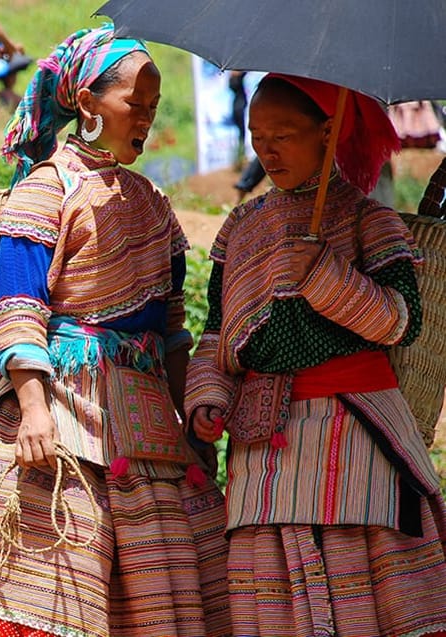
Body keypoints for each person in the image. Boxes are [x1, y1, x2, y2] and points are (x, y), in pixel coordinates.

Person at [0, 24, 231, 637]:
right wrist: (33, 411)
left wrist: (193, 426)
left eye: (154, 108)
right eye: (135, 103)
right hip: (61, 413)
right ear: (85, 102)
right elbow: (17, 307)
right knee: (48, 595)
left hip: (149, 425)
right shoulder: (45, 190)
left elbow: (173, 329)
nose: (147, 119)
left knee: (163, 596)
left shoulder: (154, 202)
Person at [186, 73, 446, 636]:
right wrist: (209, 397)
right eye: (256, 136)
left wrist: (325, 277)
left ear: (327, 132)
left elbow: (402, 322)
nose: (267, 150)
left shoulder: (367, 219)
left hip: (353, 437)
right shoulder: (241, 228)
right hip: (264, 452)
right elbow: (214, 332)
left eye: (283, 133)